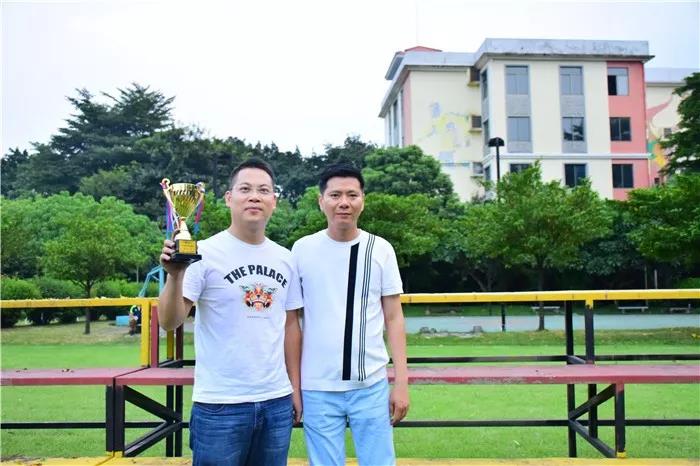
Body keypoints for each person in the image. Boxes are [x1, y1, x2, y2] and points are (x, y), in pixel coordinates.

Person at [158, 158, 303, 466]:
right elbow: (169, 322)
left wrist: (295, 388)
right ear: (228, 198)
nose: (254, 197)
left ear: (274, 201)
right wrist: (174, 276)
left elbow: (290, 326)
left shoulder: (286, 258)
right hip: (220, 404)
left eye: (263, 190)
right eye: (245, 189)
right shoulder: (203, 252)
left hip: (276, 400)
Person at [291, 163, 409, 466]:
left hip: (370, 385)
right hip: (317, 386)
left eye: (352, 195)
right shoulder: (302, 250)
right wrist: (295, 386)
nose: (344, 202)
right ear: (321, 201)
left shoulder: (380, 249)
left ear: (362, 200)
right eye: (335, 195)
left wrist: (401, 383)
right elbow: (291, 321)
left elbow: (394, 318)